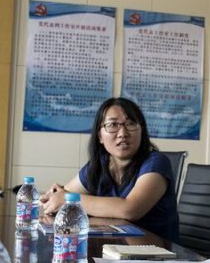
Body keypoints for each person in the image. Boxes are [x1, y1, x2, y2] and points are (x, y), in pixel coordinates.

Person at [39, 97, 179, 242]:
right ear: (100, 136)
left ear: (141, 131)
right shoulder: (100, 165)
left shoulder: (156, 162)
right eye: (112, 125)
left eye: (130, 123)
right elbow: (64, 193)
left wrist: (66, 199)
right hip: (113, 252)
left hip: (156, 256)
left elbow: (129, 210)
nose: (123, 133)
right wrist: (54, 196)